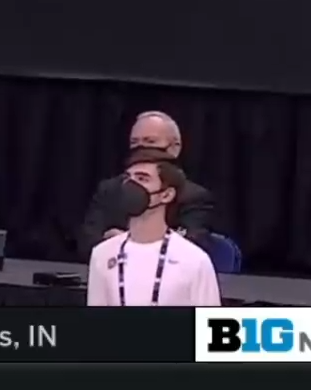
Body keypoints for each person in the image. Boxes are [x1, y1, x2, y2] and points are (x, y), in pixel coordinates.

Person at [85, 158, 221, 307]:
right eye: (128, 178)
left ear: (166, 195)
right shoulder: (102, 253)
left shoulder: (194, 261)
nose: (130, 185)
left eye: (142, 178)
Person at [78, 113, 216, 249]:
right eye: (135, 142)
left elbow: (192, 247)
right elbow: (87, 242)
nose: (141, 149)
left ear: (174, 148)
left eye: (150, 142)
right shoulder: (110, 190)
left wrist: (131, 243)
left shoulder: (194, 197)